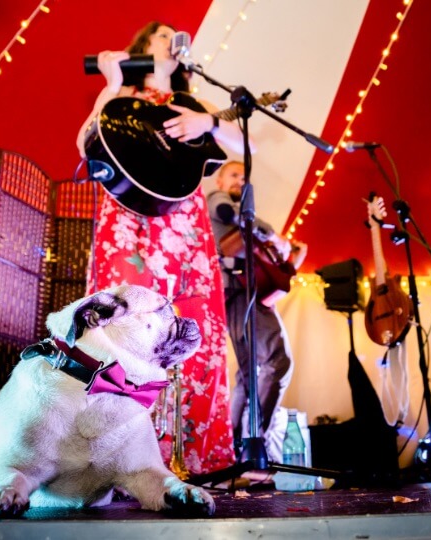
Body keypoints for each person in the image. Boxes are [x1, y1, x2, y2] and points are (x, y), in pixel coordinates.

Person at [76, 21, 254, 474]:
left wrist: (209, 121)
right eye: (163, 36)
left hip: (186, 228)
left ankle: (191, 456)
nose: (175, 42)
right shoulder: (123, 97)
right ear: (142, 48)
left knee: (192, 329)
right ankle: (122, 457)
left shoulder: (191, 101)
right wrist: (113, 84)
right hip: (129, 224)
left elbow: (239, 144)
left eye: (179, 39)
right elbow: (85, 143)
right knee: (127, 325)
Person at [207, 160, 307, 461]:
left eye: (244, 177)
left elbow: (277, 261)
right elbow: (227, 214)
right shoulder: (218, 201)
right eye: (234, 175)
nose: (240, 181)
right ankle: (254, 439)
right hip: (239, 292)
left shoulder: (242, 218)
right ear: (221, 182)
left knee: (249, 373)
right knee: (278, 362)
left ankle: (235, 445)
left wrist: (286, 252)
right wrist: (272, 234)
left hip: (243, 292)